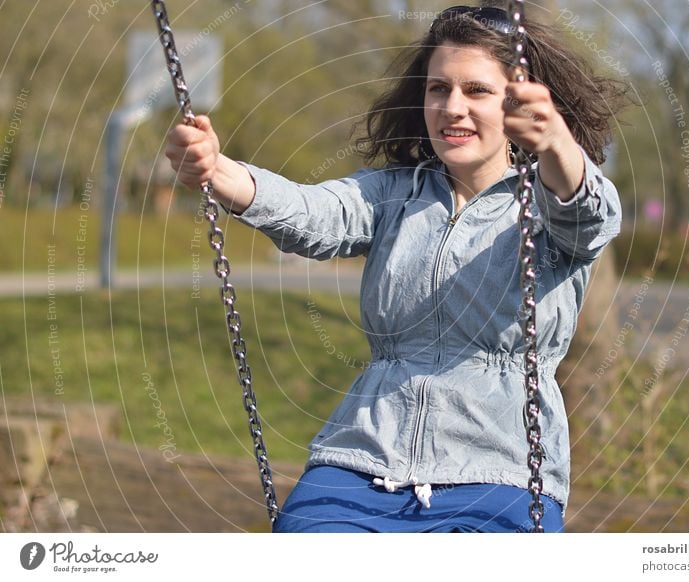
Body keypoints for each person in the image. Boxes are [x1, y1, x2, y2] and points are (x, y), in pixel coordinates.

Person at [165, 3, 627, 532]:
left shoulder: (550, 205)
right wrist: (217, 168)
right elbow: (312, 212)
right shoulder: (392, 195)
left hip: (500, 468)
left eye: (476, 90)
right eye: (438, 89)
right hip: (362, 457)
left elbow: (588, 213)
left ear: (517, 102)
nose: (453, 107)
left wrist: (558, 144)